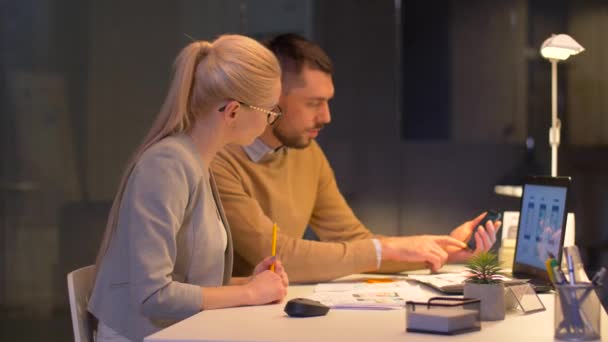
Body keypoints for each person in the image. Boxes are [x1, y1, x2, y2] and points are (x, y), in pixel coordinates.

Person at [211, 33, 500, 284]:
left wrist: (439, 250)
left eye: (327, 101)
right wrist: (386, 250)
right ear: (270, 98)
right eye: (313, 103)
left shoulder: (306, 153)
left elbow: (355, 243)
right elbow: (279, 256)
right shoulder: (219, 161)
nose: (326, 117)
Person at [88, 35, 289, 342]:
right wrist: (249, 293)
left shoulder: (196, 162)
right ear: (233, 111)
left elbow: (189, 282)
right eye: (269, 112)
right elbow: (153, 295)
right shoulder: (166, 166)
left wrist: (249, 284)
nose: (269, 123)